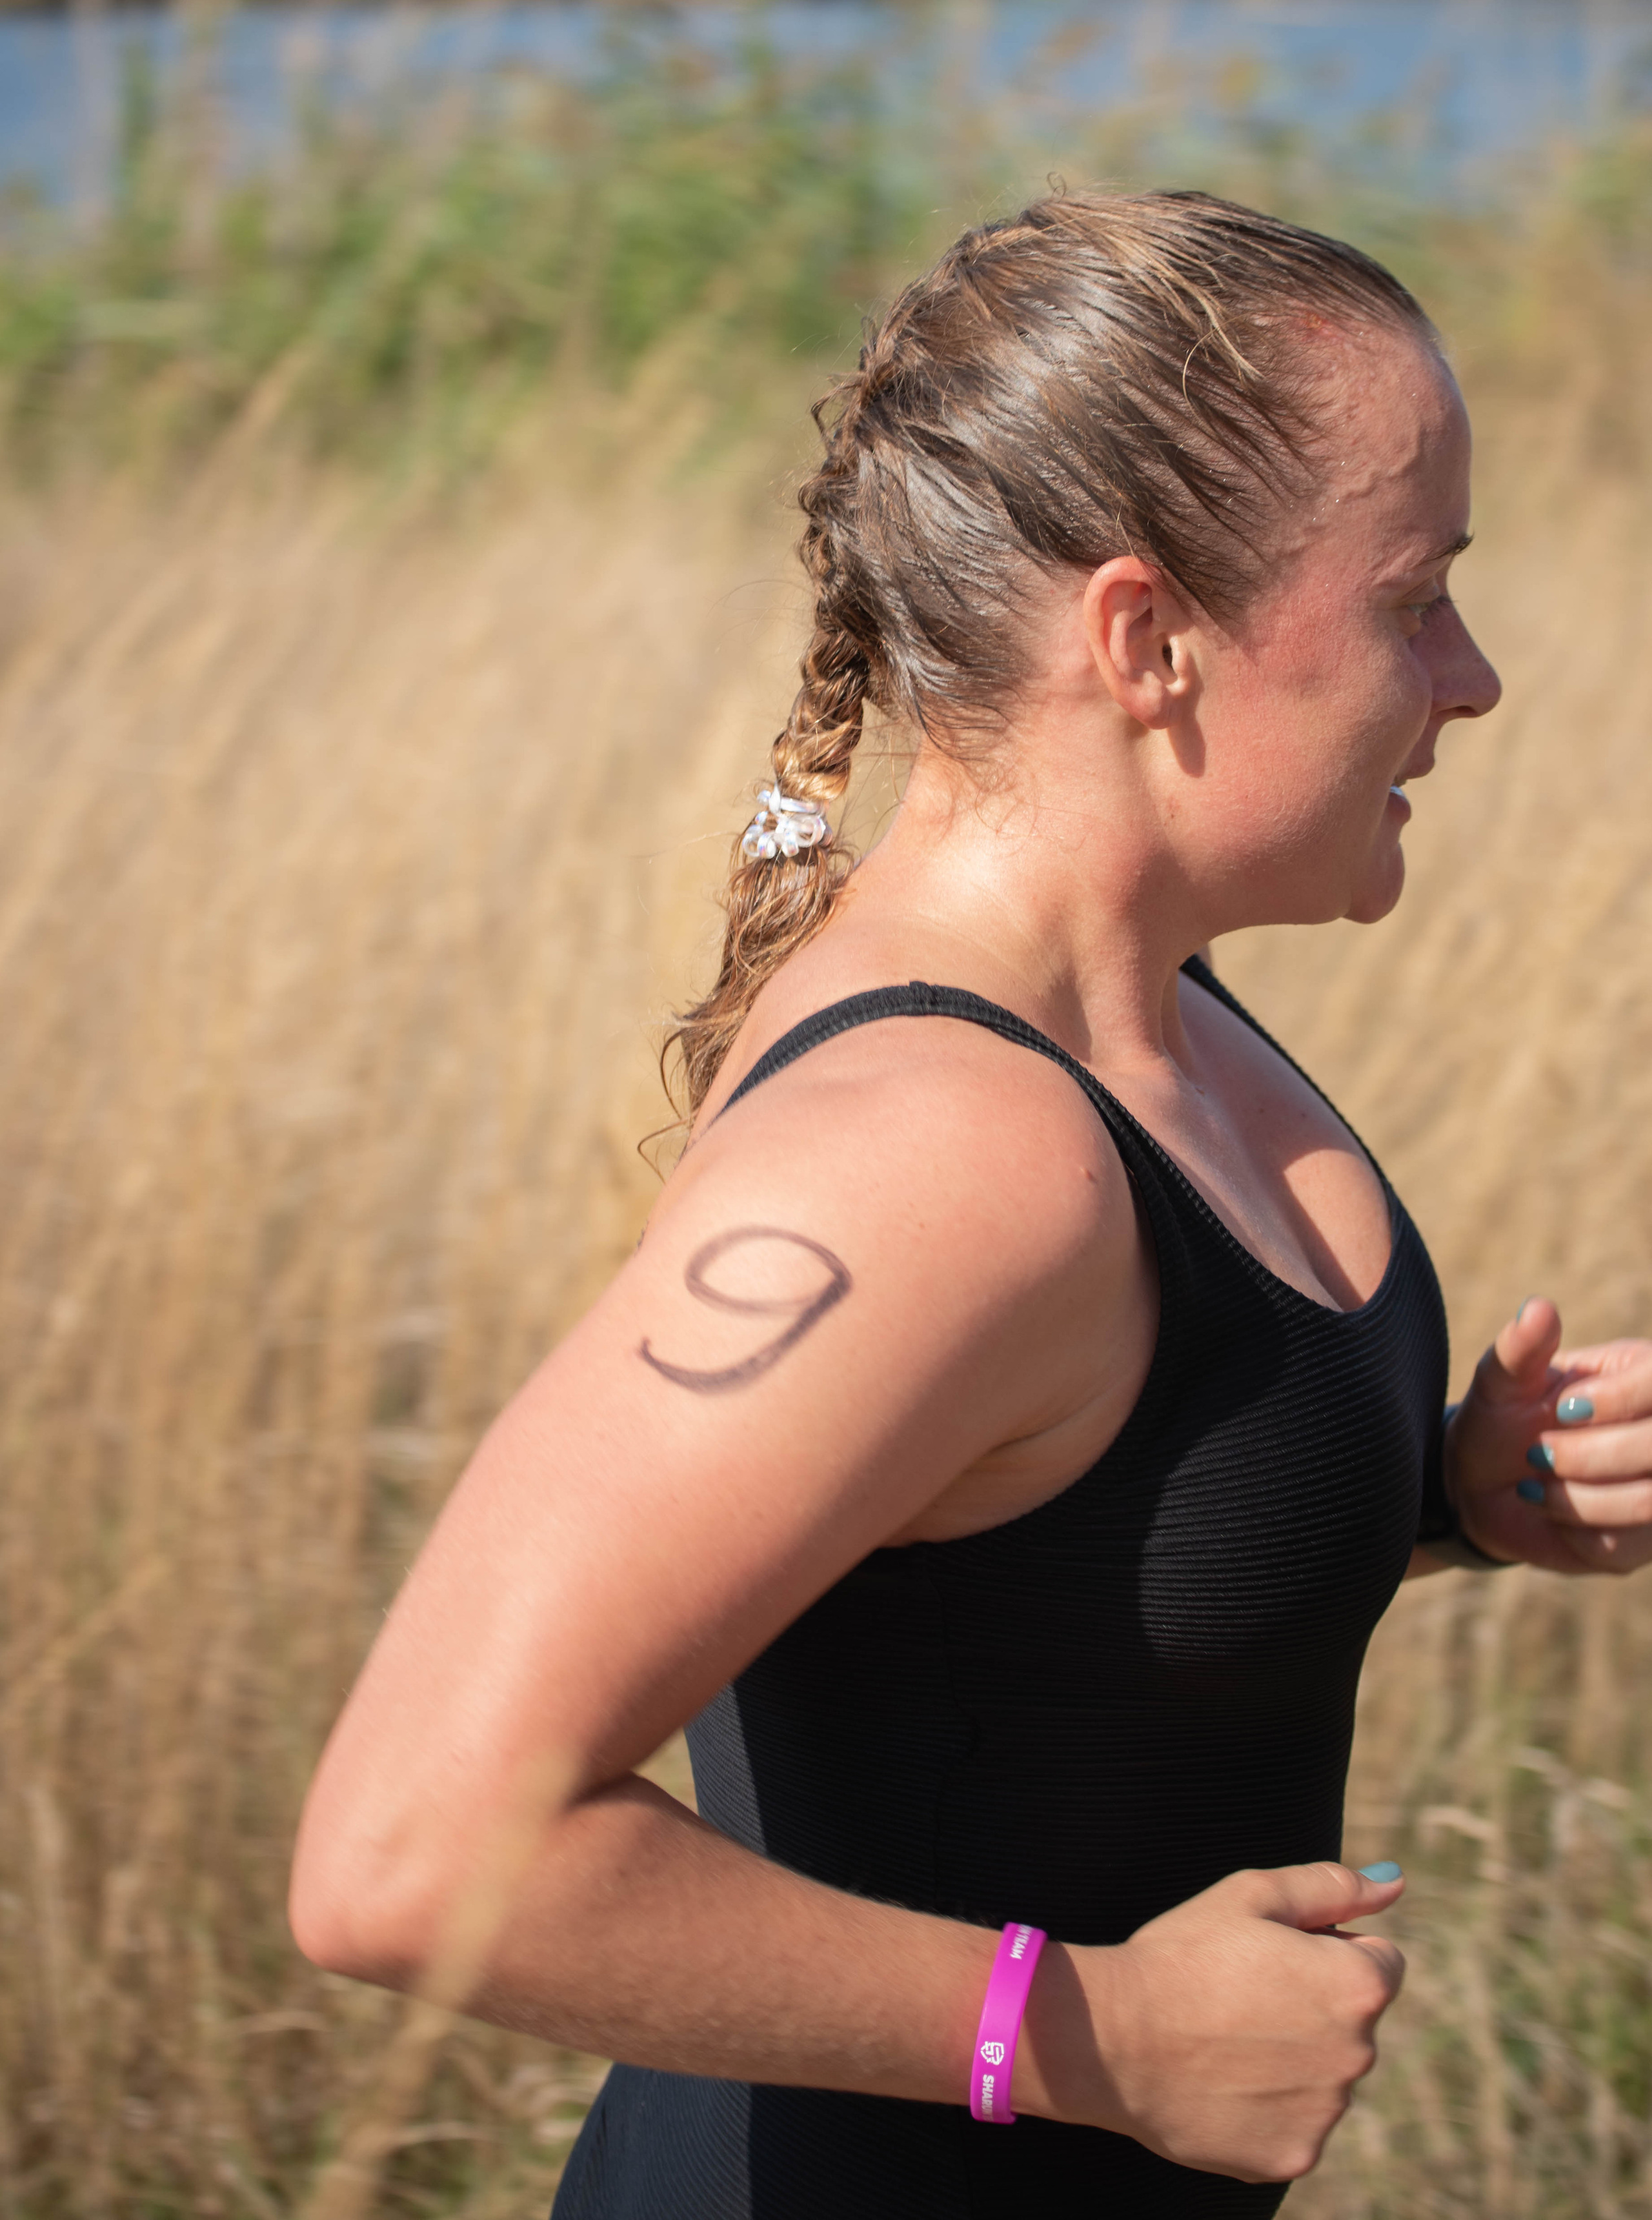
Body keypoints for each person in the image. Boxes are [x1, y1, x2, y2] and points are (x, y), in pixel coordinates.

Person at [288, 190, 1652, 2217]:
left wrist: (1444, 1496)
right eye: (1415, 594)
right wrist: (1085, 2033)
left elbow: (1029, 1586)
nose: (1473, 677)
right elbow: (410, 1855)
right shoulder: (941, 1156)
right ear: (1146, 638)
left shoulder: (1155, 1011)